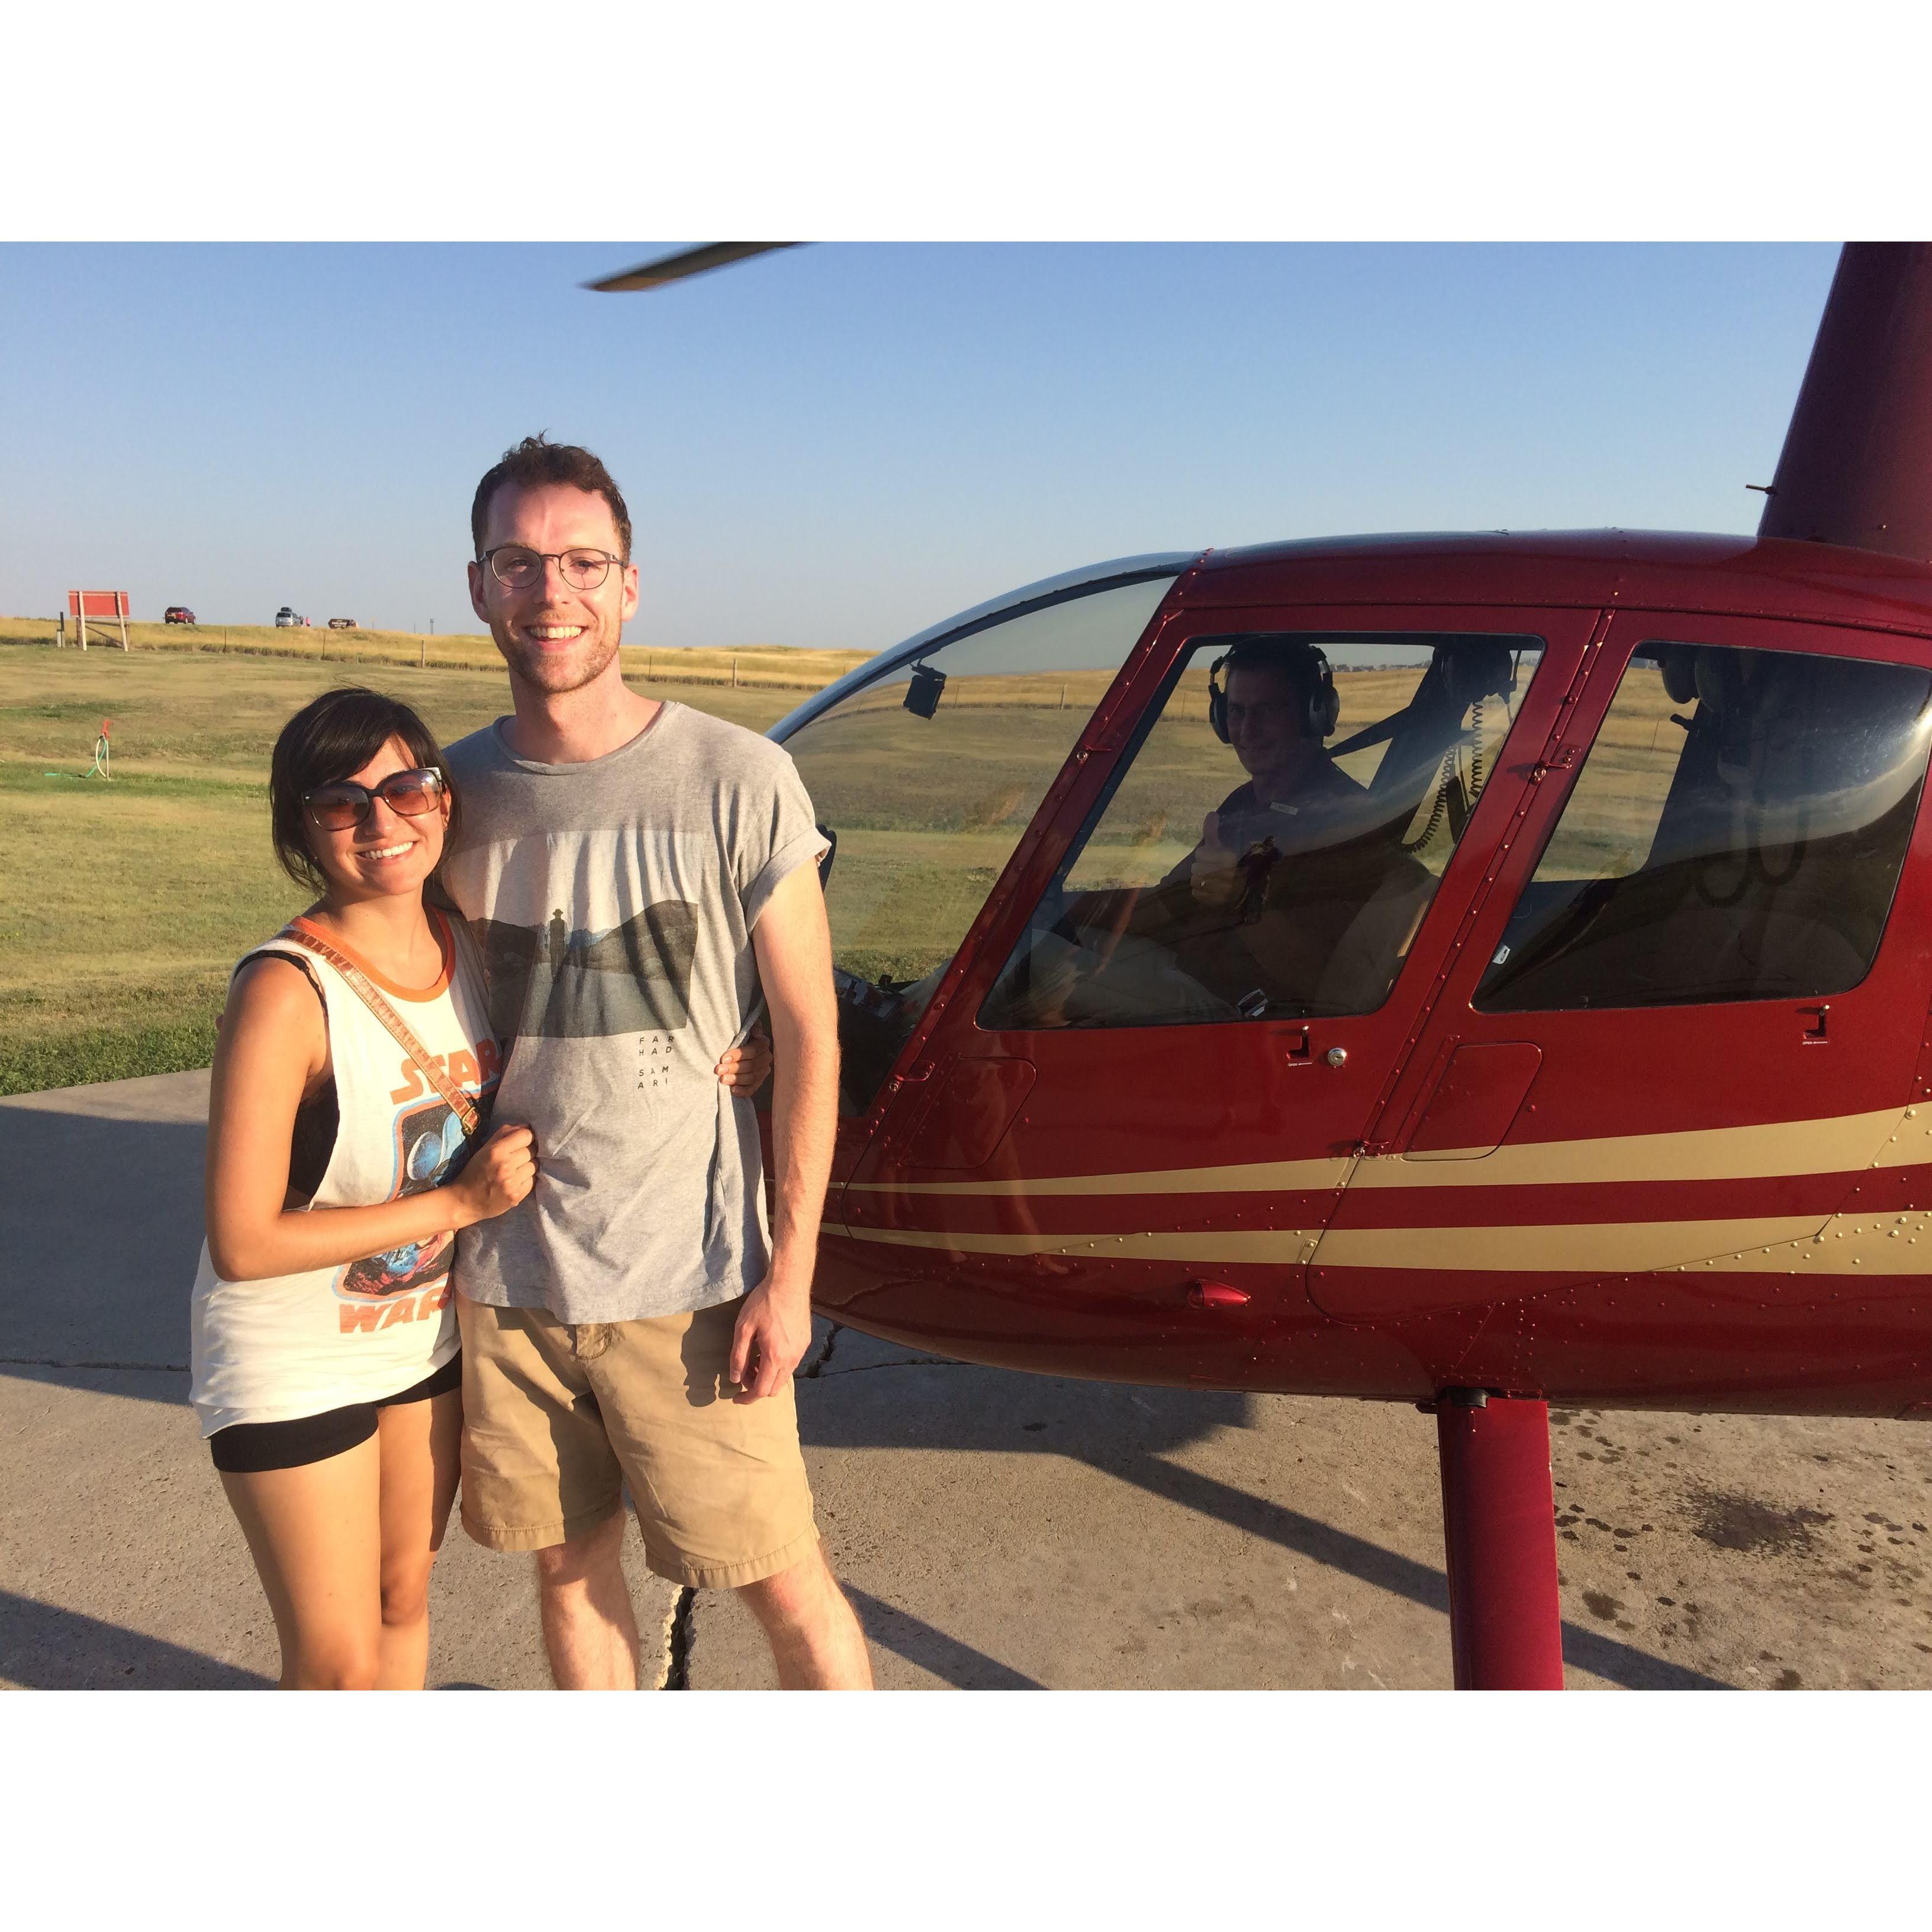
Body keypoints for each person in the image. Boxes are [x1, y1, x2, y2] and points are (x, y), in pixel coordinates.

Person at [192, 686, 765, 1689]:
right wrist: (459, 1208)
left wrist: (729, 1046)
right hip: (293, 1359)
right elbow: (243, 1243)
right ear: (300, 830)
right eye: (342, 803)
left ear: (445, 802)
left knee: (402, 1603)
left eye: (407, 788)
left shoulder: (468, 948)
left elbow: (600, 996)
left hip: (419, 1340)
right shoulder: (286, 992)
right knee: (333, 1666)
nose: (382, 823)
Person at [440, 435, 872, 1690]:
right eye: (518, 563)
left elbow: (808, 1037)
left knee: (783, 1581)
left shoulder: (739, 779)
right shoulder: (451, 794)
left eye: (582, 561)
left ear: (631, 587)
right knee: (568, 1574)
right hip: (511, 1277)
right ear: (480, 589)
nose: (551, 590)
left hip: (689, 1281)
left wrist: (790, 1277)